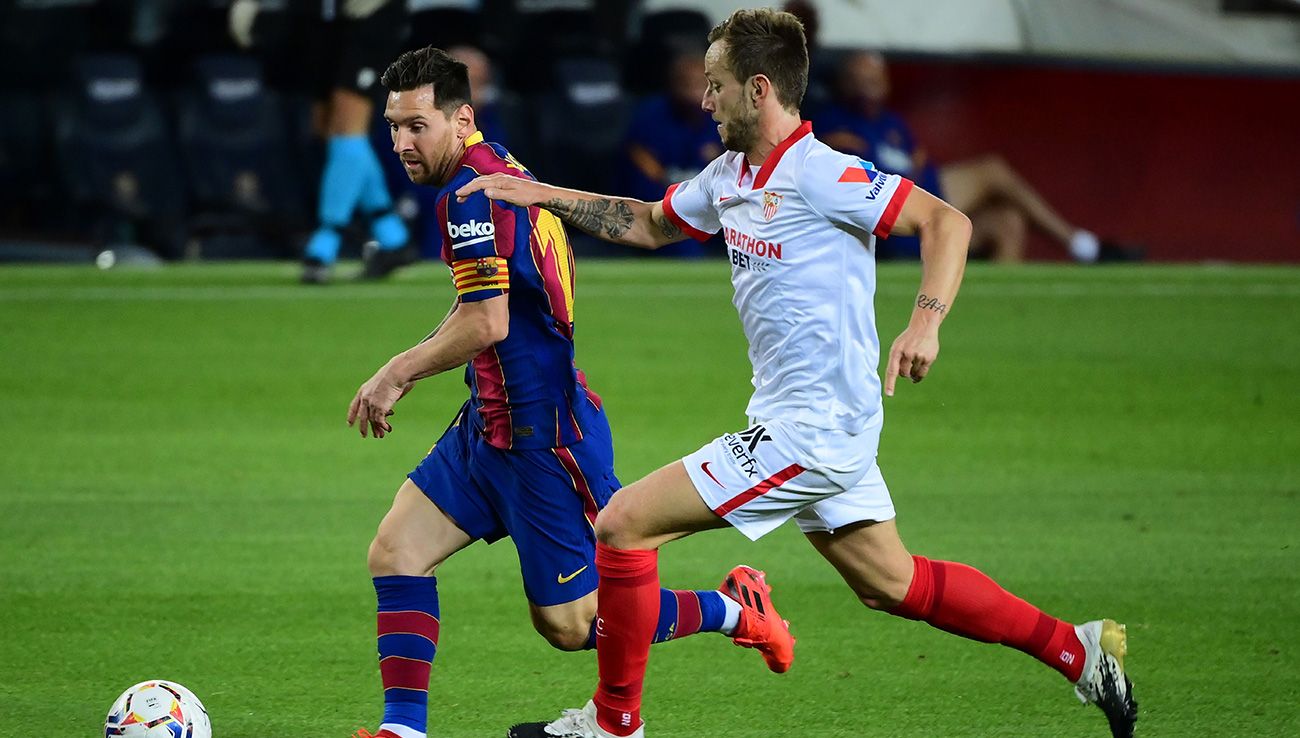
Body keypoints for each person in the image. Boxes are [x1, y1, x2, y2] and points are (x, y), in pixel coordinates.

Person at [456, 9, 1138, 738]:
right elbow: (649, 223)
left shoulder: (825, 174)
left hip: (812, 432)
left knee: (622, 527)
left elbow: (950, 223)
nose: (705, 100)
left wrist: (926, 322)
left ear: (758, 89)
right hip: (803, 423)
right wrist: (545, 196)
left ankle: (613, 724)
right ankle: (1079, 648)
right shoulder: (729, 177)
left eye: (716, 86)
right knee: (894, 585)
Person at [345, 46, 793, 738]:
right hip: (489, 424)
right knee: (396, 552)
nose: (402, 142)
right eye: (394, 126)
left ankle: (737, 607)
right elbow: (482, 308)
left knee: (574, 624)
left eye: (417, 126)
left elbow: (487, 321)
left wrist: (396, 371)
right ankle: (403, 731)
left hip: (544, 436)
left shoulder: (468, 196)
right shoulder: (493, 168)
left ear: (461, 118)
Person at [817, 50, 1139, 264]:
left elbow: (917, 160)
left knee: (1008, 222)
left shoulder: (892, 123)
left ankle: (1005, 316)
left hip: (927, 196)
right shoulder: (834, 120)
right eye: (861, 78)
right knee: (992, 170)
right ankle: (1081, 246)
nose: (870, 85)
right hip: (896, 219)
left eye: (876, 78)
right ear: (845, 82)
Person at [231, 0, 418, 283]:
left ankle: (325, 243)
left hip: (369, 14)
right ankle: (393, 237)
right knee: (330, 129)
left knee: (346, 125)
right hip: (323, 18)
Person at [618, 47, 723, 257]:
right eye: (687, 85)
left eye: (702, 85)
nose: (696, 95)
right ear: (672, 85)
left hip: (715, 206)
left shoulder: (722, 117)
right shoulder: (649, 117)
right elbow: (643, 170)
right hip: (661, 204)